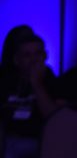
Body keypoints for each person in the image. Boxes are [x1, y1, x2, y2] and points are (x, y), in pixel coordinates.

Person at [0, 29, 60, 158]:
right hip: (8, 139)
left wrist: (36, 84)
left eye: (38, 54)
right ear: (17, 60)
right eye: (27, 55)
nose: (33, 59)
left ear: (45, 56)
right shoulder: (6, 79)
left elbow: (54, 119)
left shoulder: (51, 79)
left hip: (42, 141)